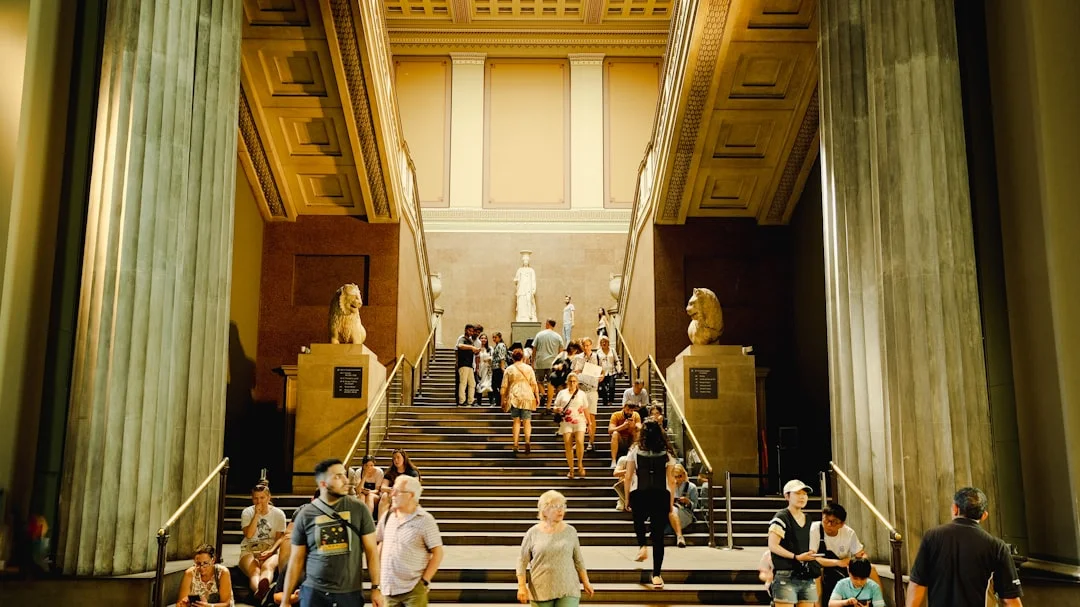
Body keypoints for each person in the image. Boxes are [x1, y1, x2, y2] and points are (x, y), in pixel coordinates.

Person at [281, 458, 382, 607]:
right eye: (337, 476)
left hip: (348, 593)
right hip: (314, 593)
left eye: (344, 475)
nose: (345, 480)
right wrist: (285, 601)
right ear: (323, 484)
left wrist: (376, 588)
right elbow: (296, 560)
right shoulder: (306, 514)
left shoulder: (359, 509)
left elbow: (372, 552)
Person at [906, 487, 1023, 607]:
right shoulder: (996, 547)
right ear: (984, 515)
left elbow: (917, 586)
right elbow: (1010, 600)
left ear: (955, 509)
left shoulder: (932, 537)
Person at [622, 419, 676, 589]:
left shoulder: (635, 450)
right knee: (658, 536)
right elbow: (672, 481)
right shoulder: (667, 454)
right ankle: (657, 575)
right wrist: (671, 502)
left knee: (638, 521)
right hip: (660, 494)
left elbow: (628, 476)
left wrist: (627, 497)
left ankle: (642, 545)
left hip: (640, 493)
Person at [516, 490, 594, 607]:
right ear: (544, 510)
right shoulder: (533, 532)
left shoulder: (571, 531)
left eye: (562, 506)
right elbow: (522, 561)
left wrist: (586, 582)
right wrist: (522, 586)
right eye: (555, 506)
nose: (560, 510)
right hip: (540, 589)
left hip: (568, 587)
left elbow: (578, 560)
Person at [376, 475, 444, 607]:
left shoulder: (425, 520)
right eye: (393, 490)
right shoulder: (388, 516)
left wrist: (424, 581)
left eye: (397, 491)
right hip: (388, 589)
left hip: (412, 589)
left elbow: (438, 553)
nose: (392, 494)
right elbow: (379, 543)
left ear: (411, 495)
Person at [809, 503, 880, 605]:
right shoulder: (815, 529)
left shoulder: (849, 533)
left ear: (841, 524)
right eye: (826, 520)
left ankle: (878, 602)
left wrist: (858, 563)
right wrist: (838, 562)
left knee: (871, 569)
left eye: (833, 522)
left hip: (844, 566)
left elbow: (861, 554)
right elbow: (812, 558)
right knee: (815, 572)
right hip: (824, 566)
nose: (828, 524)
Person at [768, 479, 820, 607]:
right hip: (786, 575)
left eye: (805, 494)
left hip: (806, 574)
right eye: (797, 493)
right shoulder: (781, 517)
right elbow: (773, 545)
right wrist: (795, 557)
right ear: (787, 496)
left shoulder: (808, 518)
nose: (802, 497)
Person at [239, 483, 288, 602]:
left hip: (270, 548)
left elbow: (280, 538)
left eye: (262, 497)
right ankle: (260, 592)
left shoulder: (278, 514)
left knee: (268, 567)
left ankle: (263, 589)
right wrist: (256, 515)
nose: (258, 501)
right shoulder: (247, 512)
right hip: (250, 548)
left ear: (268, 498)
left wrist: (271, 551)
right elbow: (249, 535)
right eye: (255, 498)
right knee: (254, 570)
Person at [501, 347, 540, 453]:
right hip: (527, 396)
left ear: (512, 358)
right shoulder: (529, 368)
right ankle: (527, 441)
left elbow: (504, 386)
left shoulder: (509, 369)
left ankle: (515, 444)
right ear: (522, 357)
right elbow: (534, 383)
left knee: (516, 421)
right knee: (527, 421)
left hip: (515, 396)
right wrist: (537, 396)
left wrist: (503, 400)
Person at [553, 373, 589, 479]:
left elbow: (586, 408)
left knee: (579, 441)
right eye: (570, 381)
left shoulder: (582, 394)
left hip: (579, 419)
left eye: (574, 381)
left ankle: (580, 464)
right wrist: (557, 409)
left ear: (577, 383)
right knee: (568, 444)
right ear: (567, 382)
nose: (572, 383)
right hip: (566, 420)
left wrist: (589, 422)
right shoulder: (562, 393)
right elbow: (555, 406)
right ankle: (571, 468)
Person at [570, 337, 603, 451]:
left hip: (592, 389)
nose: (586, 347)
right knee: (578, 416)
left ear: (591, 345)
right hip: (581, 389)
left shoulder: (597, 356)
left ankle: (591, 441)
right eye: (584, 345)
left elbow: (602, 371)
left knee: (591, 416)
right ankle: (578, 441)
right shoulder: (577, 358)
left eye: (588, 345)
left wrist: (602, 376)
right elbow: (572, 372)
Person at [380, 449, 422, 520]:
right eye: (394, 458)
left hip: (405, 495)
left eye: (398, 457)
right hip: (393, 494)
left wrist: (400, 491)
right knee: (384, 496)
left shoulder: (412, 472)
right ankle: (381, 523)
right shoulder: (390, 472)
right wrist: (393, 490)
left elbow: (415, 487)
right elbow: (383, 487)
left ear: (404, 458)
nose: (396, 460)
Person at [532, 320, 564, 408]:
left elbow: (534, 350)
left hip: (540, 362)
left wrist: (532, 362)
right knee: (551, 383)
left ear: (547, 324)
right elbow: (561, 352)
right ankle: (549, 405)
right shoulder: (558, 337)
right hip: (553, 363)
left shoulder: (539, 335)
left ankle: (543, 393)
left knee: (538, 381)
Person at [668, 464, 698, 548]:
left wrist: (687, 502)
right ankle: (679, 536)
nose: (677, 479)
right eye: (675, 476)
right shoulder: (669, 486)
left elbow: (694, 506)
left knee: (672, 510)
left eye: (679, 476)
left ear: (684, 475)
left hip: (685, 513)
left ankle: (679, 536)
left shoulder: (691, 487)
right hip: (671, 511)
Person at [607, 399, 641, 468]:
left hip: (630, 440)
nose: (629, 412)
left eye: (631, 410)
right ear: (623, 408)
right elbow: (610, 430)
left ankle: (637, 459)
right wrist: (623, 426)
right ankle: (613, 460)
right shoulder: (616, 415)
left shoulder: (636, 415)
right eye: (627, 410)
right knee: (615, 433)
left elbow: (640, 427)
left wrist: (634, 426)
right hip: (620, 441)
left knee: (638, 433)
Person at [455, 324, 480, 407]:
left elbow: (472, 351)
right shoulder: (462, 339)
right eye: (470, 331)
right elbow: (460, 346)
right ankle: (461, 401)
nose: (471, 333)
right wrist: (472, 348)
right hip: (463, 364)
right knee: (463, 383)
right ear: (466, 330)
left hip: (469, 365)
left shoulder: (470, 341)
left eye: (472, 331)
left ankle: (470, 400)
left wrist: (476, 351)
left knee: (472, 383)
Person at [595, 335, 621, 407]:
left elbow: (617, 360)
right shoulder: (598, 352)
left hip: (611, 372)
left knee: (611, 386)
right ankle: (605, 401)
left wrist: (619, 369)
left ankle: (611, 401)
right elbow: (596, 362)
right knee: (603, 388)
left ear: (608, 343)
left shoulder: (612, 350)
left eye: (605, 342)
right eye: (602, 342)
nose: (604, 343)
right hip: (602, 373)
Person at [514, 250, 538, 322]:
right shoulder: (520, 270)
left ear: (528, 261)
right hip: (521, 289)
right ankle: (522, 316)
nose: (525, 262)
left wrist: (533, 289)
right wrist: (516, 280)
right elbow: (516, 278)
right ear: (523, 261)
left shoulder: (531, 270)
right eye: (524, 260)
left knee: (529, 302)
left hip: (528, 289)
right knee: (522, 302)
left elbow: (533, 280)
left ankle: (530, 316)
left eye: (527, 260)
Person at [490, 332, 510, 408]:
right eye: (493, 337)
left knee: (497, 385)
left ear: (499, 337)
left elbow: (502, 357)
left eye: (495, 337)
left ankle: (500, 401)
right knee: (495, 385)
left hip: (499, 368)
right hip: (496, 368)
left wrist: (502, 367)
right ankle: (498, 401)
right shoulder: (497, 345)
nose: (494, 339)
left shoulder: (501, 345)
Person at [477, 333, 493, 403]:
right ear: (479, 339)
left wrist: (489, 359)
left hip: (488, 369)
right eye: (482, 338)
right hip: (480, 368)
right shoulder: (477, 348)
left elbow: (493, 357)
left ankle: (491, 401)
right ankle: (479, 402)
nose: (483, 339)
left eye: (485, 338)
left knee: (488, 385)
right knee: (479, 384)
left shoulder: (490, 348)